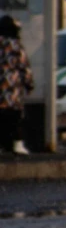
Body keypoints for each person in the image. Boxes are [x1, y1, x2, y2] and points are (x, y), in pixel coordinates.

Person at [0, 15, 34, 155]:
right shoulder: (16, 46)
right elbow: (24, 67)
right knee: (14, 119)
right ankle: (16, 145)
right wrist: (28, 85)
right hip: (13, 90)